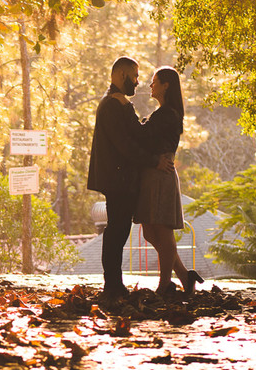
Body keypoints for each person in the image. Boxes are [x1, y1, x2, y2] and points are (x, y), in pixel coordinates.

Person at [86, 57, 169, 300]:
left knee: (119, 231)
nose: (138, 81)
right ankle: (112, 284)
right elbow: (126, 145)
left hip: (120, 179)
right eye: (134, 76)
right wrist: (155, 161)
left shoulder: (118, 103)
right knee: (116, 231)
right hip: (117, 179)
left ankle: (114, 283)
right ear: (122, 75)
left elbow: (135, 133)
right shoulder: (113, 105)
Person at [124, 65, 204, 295]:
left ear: (166, 85)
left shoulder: (167, 114)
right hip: (151, 173)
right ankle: (184, 276)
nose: (150, 85)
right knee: (150, 231)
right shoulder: (161, 114)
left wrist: (129, 115)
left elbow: (141, 136)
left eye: (154, 81)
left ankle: (165, 284)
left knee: (162, 229)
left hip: (160, 173)